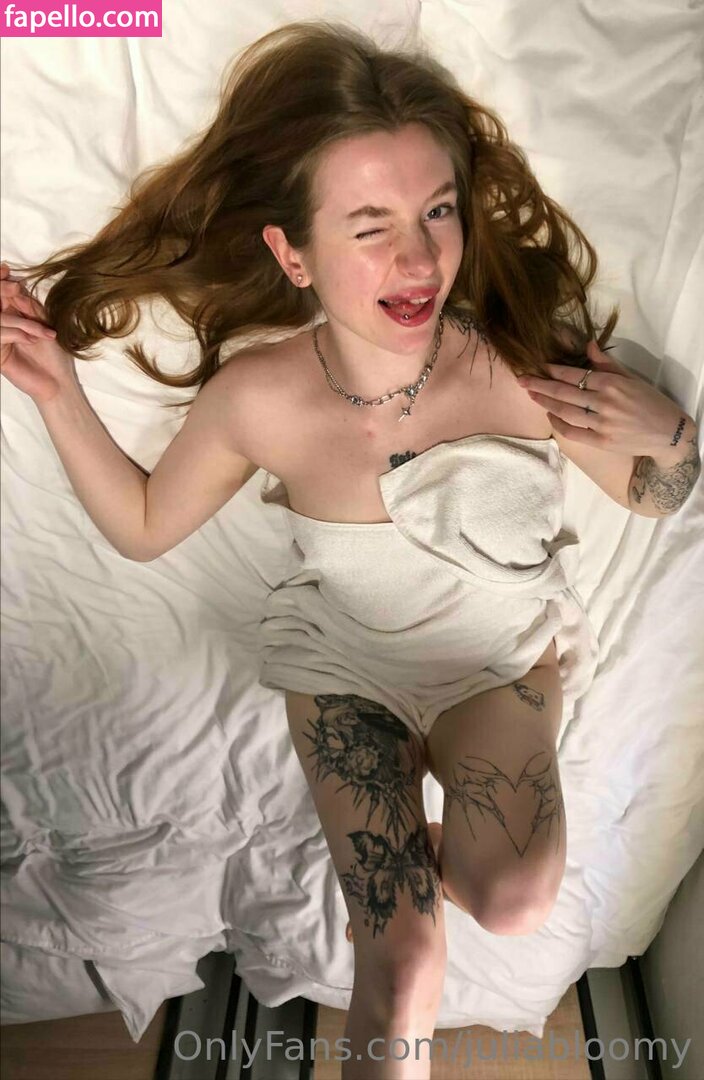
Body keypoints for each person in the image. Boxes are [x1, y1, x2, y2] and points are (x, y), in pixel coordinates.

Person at [1, 20, 699, 1079]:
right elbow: (143, 529)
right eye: (369, 227)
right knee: (403, 960)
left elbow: (652, 496)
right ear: (292, 254)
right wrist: (57, 391)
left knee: (513, 900)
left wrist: (668, 434)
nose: (417, 260)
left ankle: (422, 864)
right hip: (342, 673)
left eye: (436, 212)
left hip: (494, 665)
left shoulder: (521, 358)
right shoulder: (261, 395)